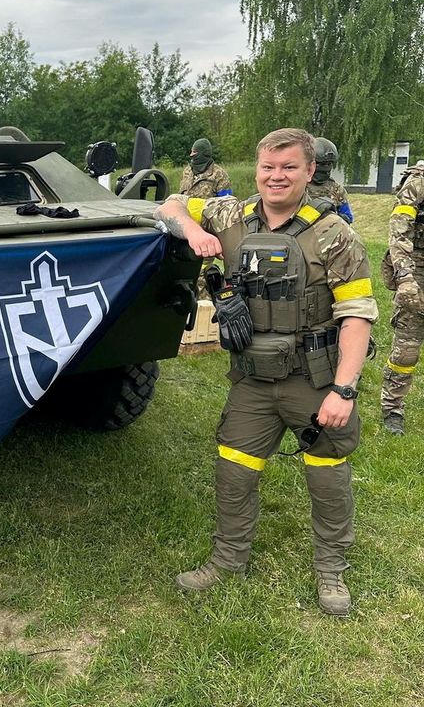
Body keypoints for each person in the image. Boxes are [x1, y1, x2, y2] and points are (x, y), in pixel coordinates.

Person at [154, 128, 377, 616]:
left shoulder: (334, 233)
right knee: (234, 469)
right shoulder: (228, 212)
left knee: (326, 475)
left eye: (289, 167)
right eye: (268, 168)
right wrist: (192, 230)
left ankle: (330, 568)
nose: (277, 177)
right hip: (252, 378)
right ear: (256, 170)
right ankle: (228, 560)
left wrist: (345, 388)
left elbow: (357, 315)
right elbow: (169, 204)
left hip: (314, 379)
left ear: (309, 171)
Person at [380, 159, 424, 435]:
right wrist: (406, 279)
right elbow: (399, 232)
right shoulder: (418, 182)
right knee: (407, 347)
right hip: (417, 268)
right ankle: (392, 408)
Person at [307, 137, 354, 223]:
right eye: (322, 164)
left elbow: (348, 217)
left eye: (328, 164)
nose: (325, 167)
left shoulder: (336, 189)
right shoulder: (299, 186)